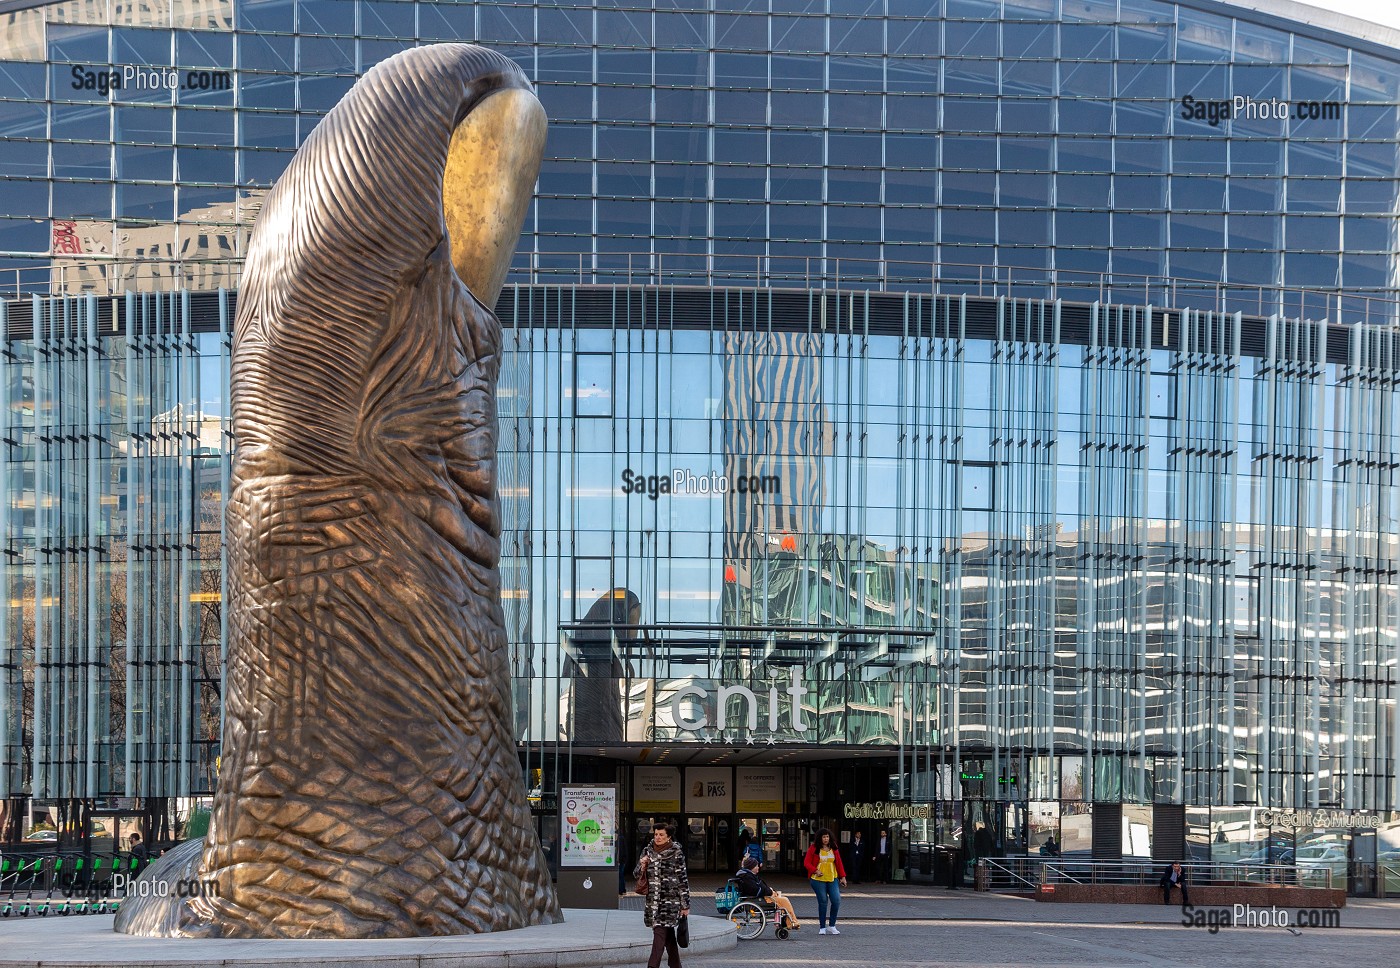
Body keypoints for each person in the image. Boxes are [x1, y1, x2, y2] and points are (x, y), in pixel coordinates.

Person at [635, 822, 690, 968]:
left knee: (659, 933)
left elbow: (682, 880)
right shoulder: (648, 851)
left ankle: (652, 966)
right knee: (668, 935)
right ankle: (676, 965)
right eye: (656, 834)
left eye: (661, 835)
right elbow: (636, 875)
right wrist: (642, 865)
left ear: (669, 837)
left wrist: (685, 905)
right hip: (653, 901)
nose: (658, 837)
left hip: (670, 903)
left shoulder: (676, 853)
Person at [735, 855, 801, 930]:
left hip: (758, 897)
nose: (758, 867)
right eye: (756, 866)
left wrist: (770, 891)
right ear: (751, 867)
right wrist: (769, 892)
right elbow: (756, 890)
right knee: (784, 900)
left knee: (780, 898)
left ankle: (789, 922)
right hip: (758, 899)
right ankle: (792, 922)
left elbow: (758, 888)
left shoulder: (747, 876)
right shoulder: (747, 877)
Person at [803, 827, 847, 935]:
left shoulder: (834, 848)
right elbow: (806, 863)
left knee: (836, 900)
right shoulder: (813, 848)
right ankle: (822, 927)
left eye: (827, 836)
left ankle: (832, 925)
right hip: (818, 880)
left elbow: (839, 863)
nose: (826, 839)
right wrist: (815, 870)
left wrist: (843, 876)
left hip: (832, 878)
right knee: (823, 901)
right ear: (820, 838)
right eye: (824, 837)